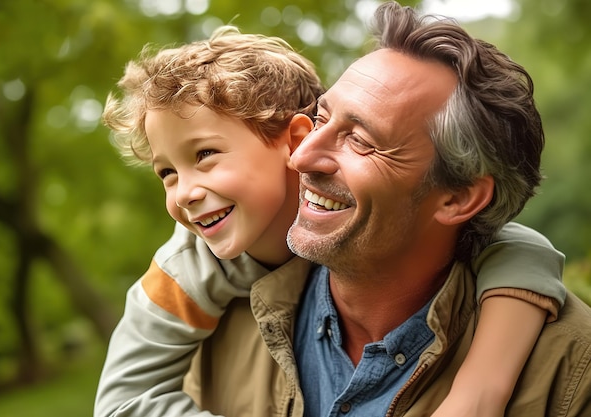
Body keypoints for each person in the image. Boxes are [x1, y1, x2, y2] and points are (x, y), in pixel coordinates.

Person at [93, 21, 571, 417]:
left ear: (290, 140)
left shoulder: (349, 213)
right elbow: (122, 401)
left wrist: (480, 387)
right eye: (166, 172)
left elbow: (519, 246)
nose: (187, 192)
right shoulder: (195, 271)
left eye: (207, 154)